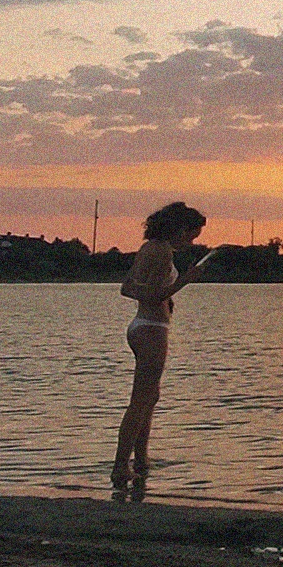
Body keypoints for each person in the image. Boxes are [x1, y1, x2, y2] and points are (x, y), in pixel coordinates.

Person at [114, 201, 207, 491]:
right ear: (179, 228)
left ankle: (140, 461)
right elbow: (147, 294)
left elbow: (130, 287)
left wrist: (168, 297)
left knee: (149, 398)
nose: (192, 241)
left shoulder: (150, 248)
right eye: (191, 234)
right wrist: (184, 283)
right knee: (141, 401)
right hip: (151, 329)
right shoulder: (161, 250)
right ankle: (120, 467)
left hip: (143, 326)